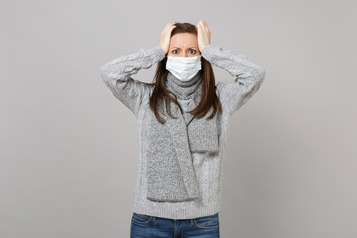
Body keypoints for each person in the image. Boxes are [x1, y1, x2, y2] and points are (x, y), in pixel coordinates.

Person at [101, 20, 266, 238]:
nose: (184, 58)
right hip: (150, 220)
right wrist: (156, 51)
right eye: (175, 51)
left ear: (201, 57)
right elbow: (110, 73)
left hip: (202, 223)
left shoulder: (220, 100)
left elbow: (255, 74)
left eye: (192, 51)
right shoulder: (144, 98)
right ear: (166, 57)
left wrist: (210, 50)